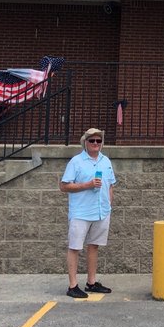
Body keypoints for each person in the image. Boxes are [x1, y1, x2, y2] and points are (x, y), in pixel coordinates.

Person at [60, 127, 116, 298]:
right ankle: (73, 285)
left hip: (101, 211)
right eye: (92, 141)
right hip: (81, 212)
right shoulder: (76, 162)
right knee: (75, 247)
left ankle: (91, 282)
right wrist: (87, 185)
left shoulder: (105, 161)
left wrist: (109, 205)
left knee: (94, 246)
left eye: (99, 141)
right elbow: (64, 186)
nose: (95, 144)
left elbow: (111, 184)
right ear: (85, 142)